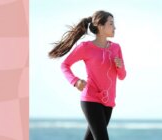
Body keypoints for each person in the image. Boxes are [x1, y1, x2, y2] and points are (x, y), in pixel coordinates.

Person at [48, 10, 126, 140]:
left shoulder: (116, 48)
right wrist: (75, 81)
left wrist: (120, 66)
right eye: (111, 24)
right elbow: (65, 65)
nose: (115, 27)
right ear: (100, 26)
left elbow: (122, 76)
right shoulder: (85, 47)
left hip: (109, 102)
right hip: (90, 99)